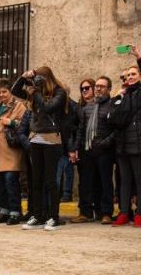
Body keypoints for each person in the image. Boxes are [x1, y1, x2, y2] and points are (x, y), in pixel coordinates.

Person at [12, 66, 67, 231]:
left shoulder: (59, 92)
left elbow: (47, 107)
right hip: (35, 139)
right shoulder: (35, 92)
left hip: (52, 140)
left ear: (47, 77)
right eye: (35, 77)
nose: (36, 80)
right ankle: (38, 215)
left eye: (39, 77)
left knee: (50, 181)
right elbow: (15, 90)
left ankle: (54, 217)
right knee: (35, 181)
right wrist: (23, 77)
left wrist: (35, 91)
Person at [70, 76, 115, 224]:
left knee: (105, 182)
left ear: (109, 89)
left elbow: (116, 130)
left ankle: (106, 213)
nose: (98, 89)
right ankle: (85, 212)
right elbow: (81, 131)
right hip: (87, 150)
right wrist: (76, 148)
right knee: (85, 183)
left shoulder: (112, 106)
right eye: (97, 86)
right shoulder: (87, 107)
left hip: (104, 151)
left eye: (102, 86)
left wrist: (104, 143)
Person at [0, 78, 26, 225]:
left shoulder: (19, 106)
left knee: (11, 180)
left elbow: (25, 124)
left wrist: (11, 122)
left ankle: (15, 211)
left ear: (10, 92)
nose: (2, 95)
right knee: (0, 182)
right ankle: (4, 211)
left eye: (4, 91)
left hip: (11, 151)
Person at [113, 59, 141, 227]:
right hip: (122, 145)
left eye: (133, 74)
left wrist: (139, 58)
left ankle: (139, 214)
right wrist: (117, 98)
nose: (129, 77)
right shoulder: (122, 95)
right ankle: (124, 212)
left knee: (139, 179)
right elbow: (113, 119)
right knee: (124, 180)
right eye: (128, 75)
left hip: (137, 143)